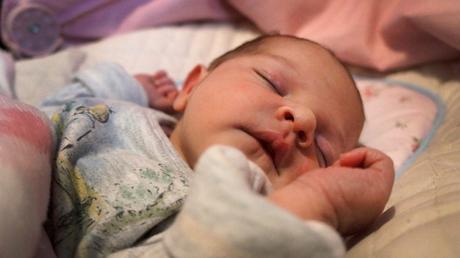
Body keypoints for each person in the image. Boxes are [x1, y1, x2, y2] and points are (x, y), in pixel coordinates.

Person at [3, 34, 394, 258]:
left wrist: (322, 200)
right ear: (191, 87)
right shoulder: (123, 112)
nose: (303, 120)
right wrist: (125, 85)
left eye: (322, 153)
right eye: (272, 84)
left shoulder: (225, 214)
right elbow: (54, 106)